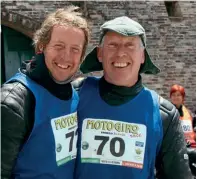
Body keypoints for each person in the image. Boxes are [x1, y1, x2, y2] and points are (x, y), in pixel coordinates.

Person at [74, 16, 193, 179]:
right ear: (100, 53)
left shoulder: (163, 114)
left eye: (130, 45)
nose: (121, 53)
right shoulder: (74, 96)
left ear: (142, 55)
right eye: (112, 45)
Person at [1, 6, 90, 179]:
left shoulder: (74, 93)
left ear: (82, 57)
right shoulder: (14, 102)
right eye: (59, 46)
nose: (66, 56)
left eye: (75, 49)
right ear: (42, 47)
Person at [170, 84, 196, 176]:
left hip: (191, 146)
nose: (175, 97)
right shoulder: (167, 113)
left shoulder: (189, 114)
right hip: (176, 149)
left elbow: (193, 129)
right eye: (173, 95)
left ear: (183, 97)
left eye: (178, 95)